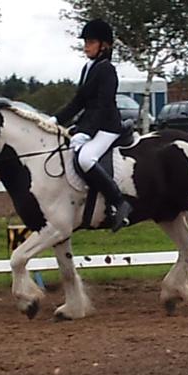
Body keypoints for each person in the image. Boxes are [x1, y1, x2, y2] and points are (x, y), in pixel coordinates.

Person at [50, 19, 133, 233]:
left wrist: (85, 132)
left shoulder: (108, 70)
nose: (86, 46)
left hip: (108, 126)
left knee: (85, 158)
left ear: (104, 45)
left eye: (91, 41)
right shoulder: (89, 68)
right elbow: (78, 101)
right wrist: (55, 120)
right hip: (92, 124)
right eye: (85, 41)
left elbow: (103, 105)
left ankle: (118, 202)